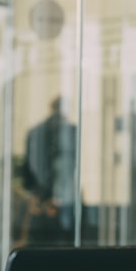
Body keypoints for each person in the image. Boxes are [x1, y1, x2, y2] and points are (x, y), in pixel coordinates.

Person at [19, 95, 78, 245]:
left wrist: (39, 195)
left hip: (41, 198)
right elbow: (69, 167)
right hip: (63, 198)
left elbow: (27, 168)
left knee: (40, 243)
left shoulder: (34, 132)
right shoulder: (71, 131)